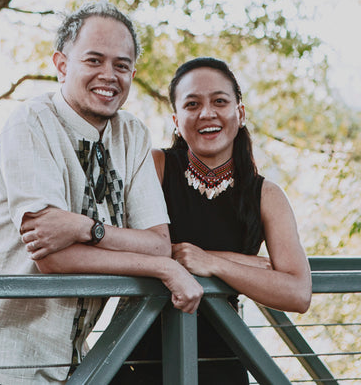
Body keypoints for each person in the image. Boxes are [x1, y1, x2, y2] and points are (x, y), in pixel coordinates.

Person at [0, 3, 203, 385]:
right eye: (94, 60)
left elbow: (156, 243)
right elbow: (53, 258)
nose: (109, 75)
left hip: (71, 361)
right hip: (3, 360)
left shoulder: (131, 135)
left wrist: (84, 228)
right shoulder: (31, 123)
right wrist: (163, 268)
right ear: (62, 63)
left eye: (121, 65)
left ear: (133, 73)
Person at [112, 56, 312, 384]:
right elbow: (120, 247)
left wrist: (213, 261)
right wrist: (249, 264)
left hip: (223, 359)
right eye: (193, 104)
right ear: (177, 120)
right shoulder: (156, 167)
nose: (207, 113)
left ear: (240, 113)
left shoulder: (266, 195)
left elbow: (298, 293)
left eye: (220, 101)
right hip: (138, 354)